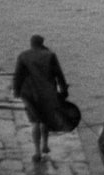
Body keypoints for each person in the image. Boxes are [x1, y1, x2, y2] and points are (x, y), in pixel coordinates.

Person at [12, 34, 69, 162]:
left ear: (31, 43)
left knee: (35, 121)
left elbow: (18, 76)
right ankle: (45, 145)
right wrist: (64, 90)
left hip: (29, 93)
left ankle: (37, 152)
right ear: (42, 43)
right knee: (45, 119)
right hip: (46, 92)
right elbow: (59, 74)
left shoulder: (23, 56)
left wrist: (16, 90)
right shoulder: (50, 55)